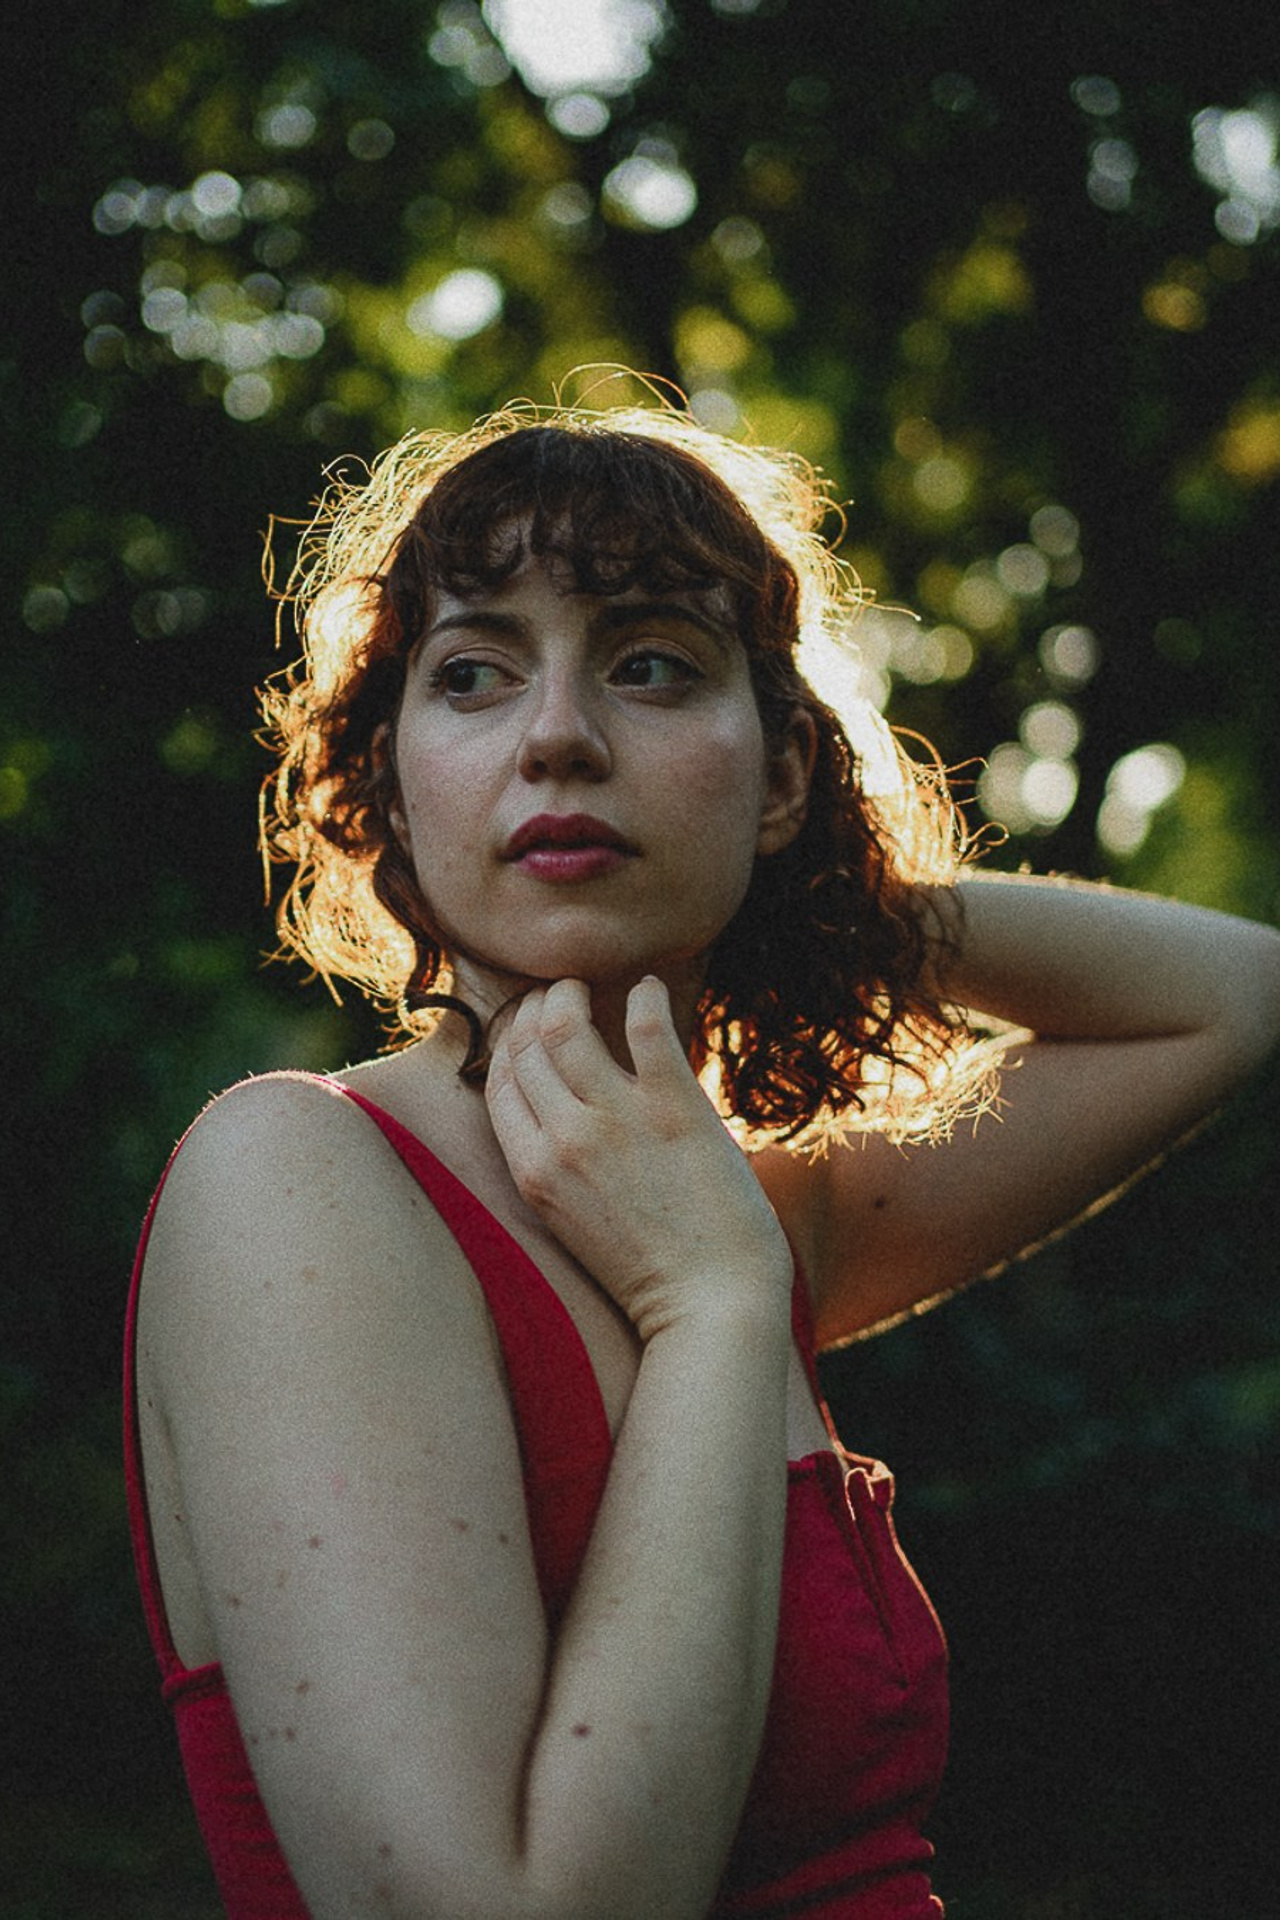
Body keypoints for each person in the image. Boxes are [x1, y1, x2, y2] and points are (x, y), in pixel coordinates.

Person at [124, 393, 1280, 1920]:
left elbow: (1231, 997)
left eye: (651, 665)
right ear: (396, 782)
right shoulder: (299, 1180)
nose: (557, 734)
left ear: (782, 767)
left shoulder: (744, 1211)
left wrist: (806, 882)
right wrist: (718, 1303)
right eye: (473, 675)